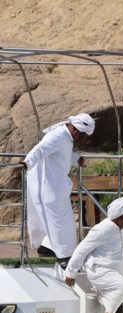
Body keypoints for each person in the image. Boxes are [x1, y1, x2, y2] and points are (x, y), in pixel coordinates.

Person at [20, 113, 96, 265]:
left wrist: (77, 158)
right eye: (81, 134)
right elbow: (40, 149)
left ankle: (46, 247)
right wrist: (26, 163)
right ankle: (64, 258)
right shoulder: (59, 135)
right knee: (61, 223)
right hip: (50, 188)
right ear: (74, 128)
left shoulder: (66, 137)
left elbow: (62, 155)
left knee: (60, 223)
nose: (81, 138)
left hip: (55, 187)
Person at [63, 197, 123, 313]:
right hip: (99, 271)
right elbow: (82, 249)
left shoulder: (121, 228)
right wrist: (71, 272)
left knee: (119, 306)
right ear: (114, 217)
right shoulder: (103, 229)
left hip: (113, 274)